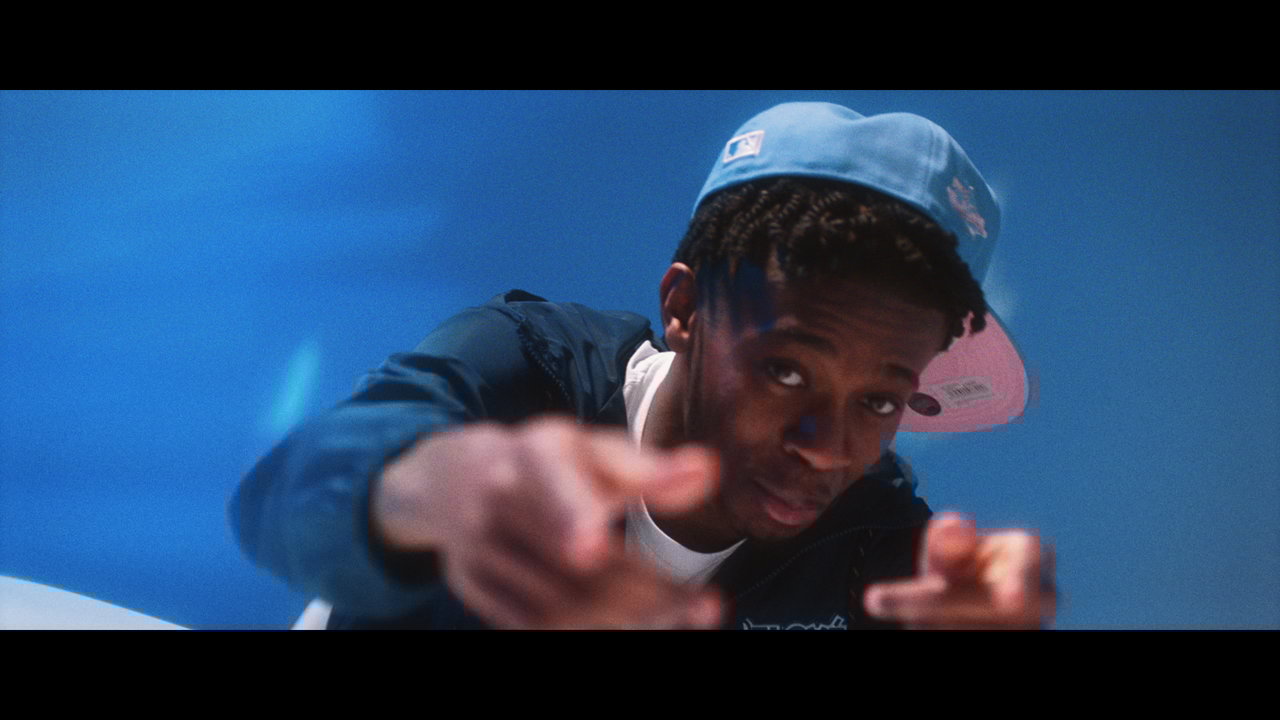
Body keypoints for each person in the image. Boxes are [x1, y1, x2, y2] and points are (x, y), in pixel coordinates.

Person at [231, 101, 1055, 630]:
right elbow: (280, 498)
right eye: (787, 371)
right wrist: (416, 489)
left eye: (878, 401)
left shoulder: (880, 545)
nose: (826, 447)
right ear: (684, 308)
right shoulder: (527, 368)